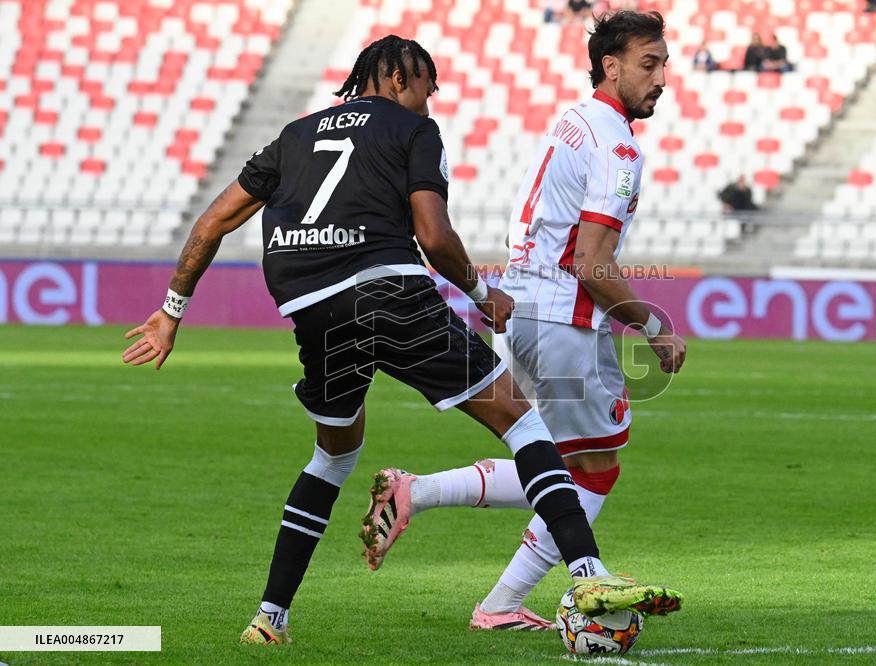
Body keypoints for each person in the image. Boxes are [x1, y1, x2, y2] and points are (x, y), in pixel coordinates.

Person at [121, 34, 682, 646]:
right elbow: (434, 236)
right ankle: (588, 574)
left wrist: (171, 311)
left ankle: (269, 618)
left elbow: (214, 222)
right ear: (397, 80)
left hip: (310, 308)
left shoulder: (295, 134)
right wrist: (479, 293)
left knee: (332, 455)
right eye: (426, 88)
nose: (428, 101)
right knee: (523, 424)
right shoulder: (415, 131)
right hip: (389, 293)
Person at [361, 11, 687, 631]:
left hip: (521, 313)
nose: (662, 78)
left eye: (664, 64)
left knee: (548, 458)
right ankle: (503, 602)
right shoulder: (618, 146)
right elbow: (593, 263)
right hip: (563, 323)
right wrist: (652, 328)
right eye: (650, 64)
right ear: (611, 67)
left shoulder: (573, 121)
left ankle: (419, 493)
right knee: (595, 468)